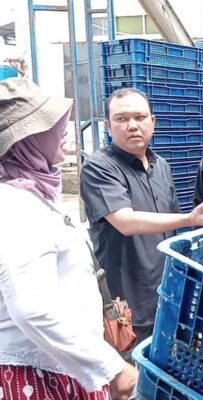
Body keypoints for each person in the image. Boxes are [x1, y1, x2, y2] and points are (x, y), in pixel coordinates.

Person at [0, 78, 137, 399]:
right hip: (40, 376)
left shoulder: (31, 193)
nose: (64, 130)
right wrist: (111, 367)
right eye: (53, 126)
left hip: (63, 366)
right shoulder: (15, 206)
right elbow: (32, 308)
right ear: (26, 141)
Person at [80, 88, 203, 347]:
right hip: (126, 302)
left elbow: (169, 231)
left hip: (166, 292)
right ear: (107, 126)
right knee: (132, 374)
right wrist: (189, 219)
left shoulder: (161, 166)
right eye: (121, 119)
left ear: (153, 122)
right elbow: (125, 222)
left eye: (140, 117)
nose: (132, 126)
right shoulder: (99, 167)